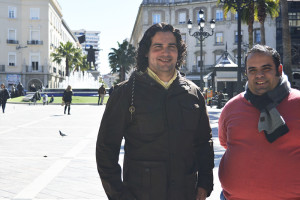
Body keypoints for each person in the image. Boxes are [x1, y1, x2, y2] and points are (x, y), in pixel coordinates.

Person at [96, 23, 214, 200]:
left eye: (171, 47)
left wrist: (205, 185)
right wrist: (118, 195)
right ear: (146, 52)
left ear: (178, 52)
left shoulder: (193, 92)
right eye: (158, 47)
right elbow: (106, 148)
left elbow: (204, 142)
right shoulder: (125, 93)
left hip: (185, 193)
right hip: (139, 194)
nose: (165, 53)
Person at [218, 44, 300, 200]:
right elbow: (226, 143)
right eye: (252, 70)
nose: (259, 75)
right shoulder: (231, 108)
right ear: (246, 74)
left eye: (266, 68)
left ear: (280, 70)